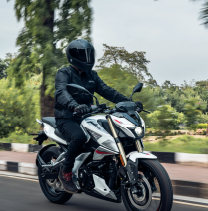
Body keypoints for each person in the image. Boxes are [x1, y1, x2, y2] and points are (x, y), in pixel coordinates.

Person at [54, 39, 143, 194]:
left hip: (86, 117)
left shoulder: (91, 75)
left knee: (109, 136)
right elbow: (61, 92)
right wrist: (74, 105)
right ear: (74, 56)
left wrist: (129, 103)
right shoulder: (64, 73)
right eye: (83, 55)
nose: (87, 59)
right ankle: (65, 172)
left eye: (89, 55)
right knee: (79, 138)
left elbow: (107, 91)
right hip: (67, 117)